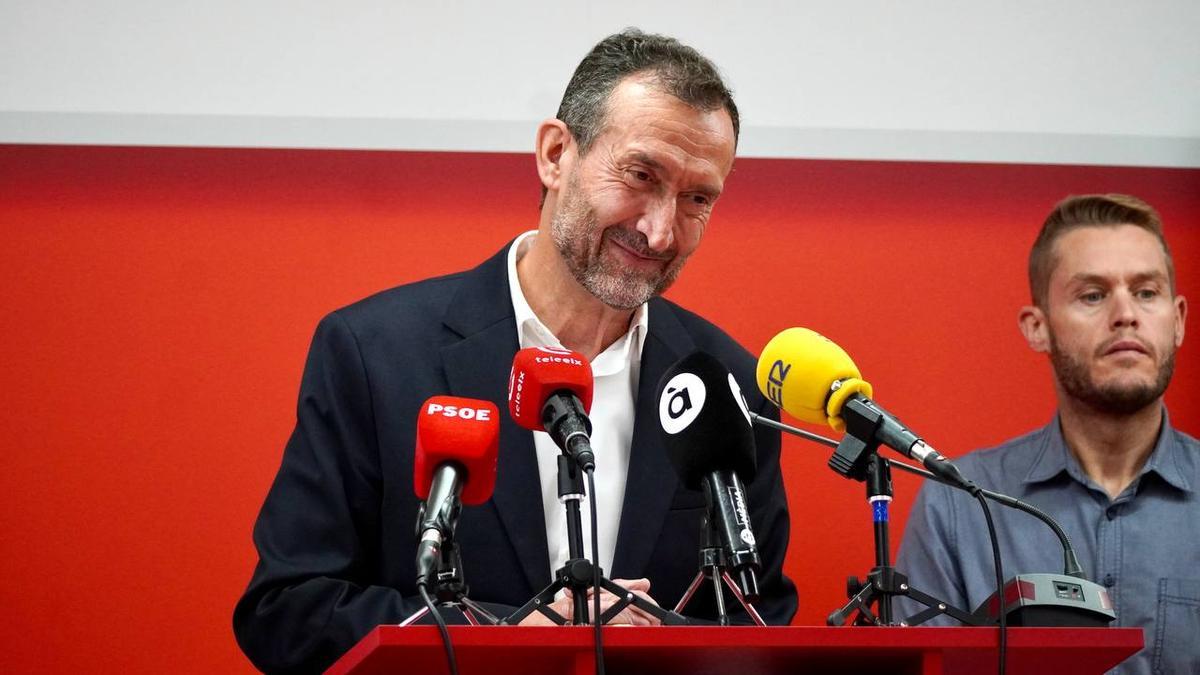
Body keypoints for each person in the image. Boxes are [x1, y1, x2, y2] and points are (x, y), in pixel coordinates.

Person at [234, 29, 797, 673]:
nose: (660, 228)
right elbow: (287, 610)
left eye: (698, 199)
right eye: (641, 176)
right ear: (556, 154)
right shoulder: (373, 355)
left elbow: (761, 623)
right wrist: (510, 637)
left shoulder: (727, 387)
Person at [896, 194, 1196, 674]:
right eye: (1092, 295)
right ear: (1038, 328)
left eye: (1146, 292)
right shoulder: (961, 505)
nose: (1126, 314)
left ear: (1178, 320)